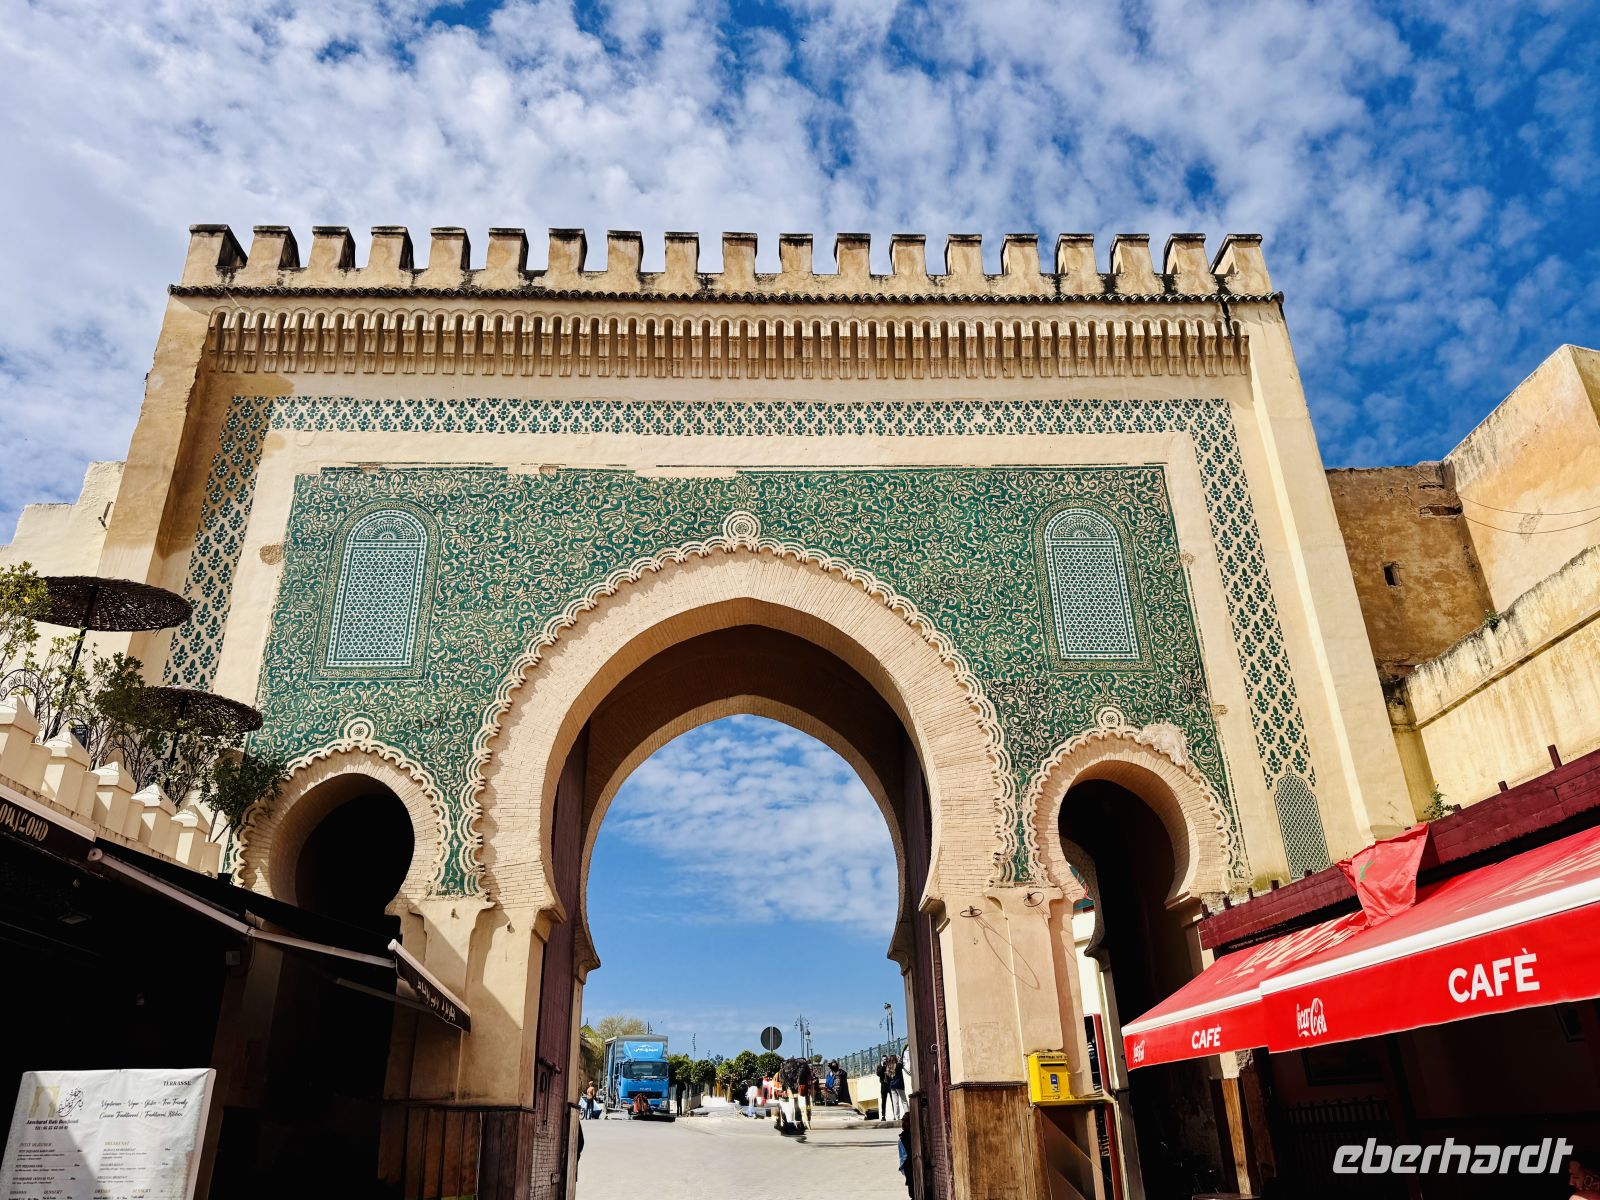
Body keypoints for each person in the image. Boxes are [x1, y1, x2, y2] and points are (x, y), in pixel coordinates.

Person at [877, 1054, 907, 1122]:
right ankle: (907, 1114)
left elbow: (888, 1075)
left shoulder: (888, 1067)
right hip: (897, 1085)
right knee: (904, 1101)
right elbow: (902, 1064)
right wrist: (900, 1059)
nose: (885, 1061)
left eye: (886, 1059)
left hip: (891, 1086)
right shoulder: (897, 1065)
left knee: (894, 1102)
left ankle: (896, 1117)